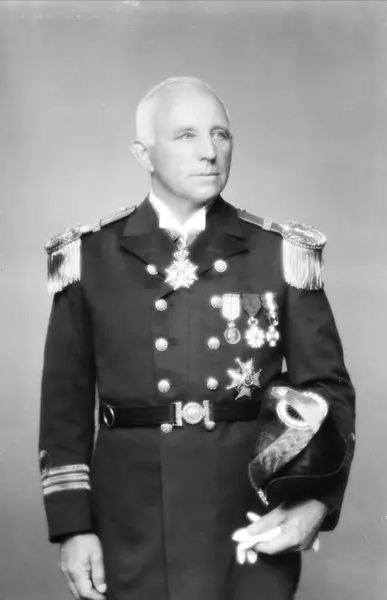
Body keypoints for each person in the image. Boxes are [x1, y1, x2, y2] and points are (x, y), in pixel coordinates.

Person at [39, 77, 355, 600]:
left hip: (248, 523)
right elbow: (64, 408)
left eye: (220, 134)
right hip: (128, 527)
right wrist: (73, 526)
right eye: (186, 135)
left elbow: (327, 390)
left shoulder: (279, 253)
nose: (210, 151)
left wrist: (315, 503)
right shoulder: (89, 258)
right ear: (143, 153)